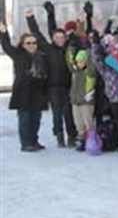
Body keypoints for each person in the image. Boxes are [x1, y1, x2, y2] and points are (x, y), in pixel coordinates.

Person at [26, 8, 77, 147]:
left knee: (69, 112)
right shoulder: (48, 49)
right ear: (53, 38)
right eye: (57, 37)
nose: (60, 40)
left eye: (62, 37)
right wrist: (30, 18)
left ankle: (72, 136)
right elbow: (36, 33)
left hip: (68, 86)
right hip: (53, 87)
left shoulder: (69, 48)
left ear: (65, 38)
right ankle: (59, 135)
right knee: (57, 113)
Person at [0, 19, 49, 152]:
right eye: (28, 43)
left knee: (36, 119)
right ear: (23, 44)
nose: (32, 45)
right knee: (25, 119)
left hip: (38, 91)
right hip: (23, 92)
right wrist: (4, 33)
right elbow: (6, 46)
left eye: (34, 42)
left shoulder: (42, 55)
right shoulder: (18, 54)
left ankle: (34, 140)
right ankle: (26, 143)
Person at [66, 49, 97, 151]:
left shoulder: (89, 72)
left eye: (82, 61)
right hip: (75, 101)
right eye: (78, 61)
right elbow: (69, 61)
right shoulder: (75, 72)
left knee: (88, 122)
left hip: (86, 102)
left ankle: (91, 140)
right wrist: (70, 49)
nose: (80, 63)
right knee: (78, 122)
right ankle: (81, 139)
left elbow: (92, 66)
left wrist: (88, 54)